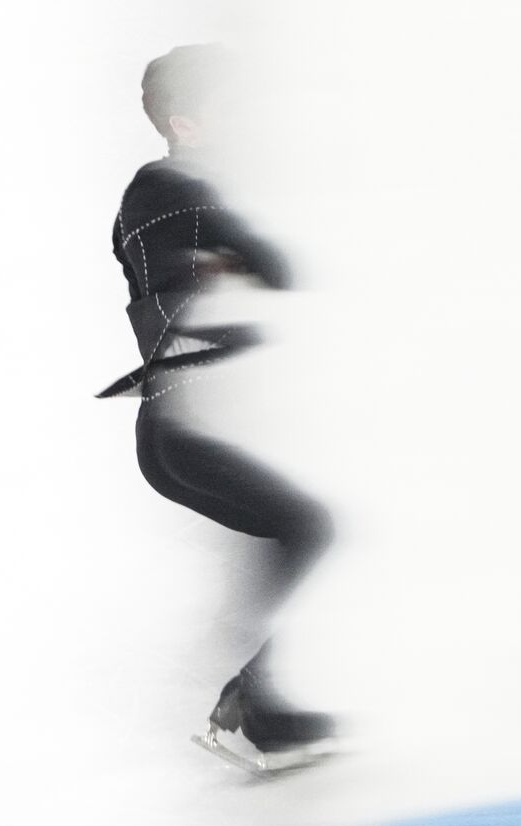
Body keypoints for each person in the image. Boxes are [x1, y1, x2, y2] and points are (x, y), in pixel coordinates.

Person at [99, 44, 336, 769]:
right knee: (316, 529)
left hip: (193, 422)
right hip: (192, 424)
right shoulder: (165, 189)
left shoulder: (203, 192)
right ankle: (256, 710)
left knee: (312, 531)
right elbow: (186, 282)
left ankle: (262, 703)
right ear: (188, 124)